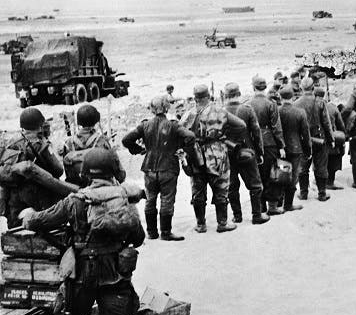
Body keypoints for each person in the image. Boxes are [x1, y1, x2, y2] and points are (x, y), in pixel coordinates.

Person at [20, 148, 145, 315]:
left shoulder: (76, 201)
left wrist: (28, 216)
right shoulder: (124, 198)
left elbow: (40, 221)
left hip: (81, 273)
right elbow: (138, 237)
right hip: (116, 272)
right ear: (114, 170)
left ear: (85, 173)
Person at [122, 96, 195, 240]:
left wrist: (138, 149)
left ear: (152, 109)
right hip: (168, 167)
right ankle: (166, 233)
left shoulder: (144, 125)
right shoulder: (173, 125)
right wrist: (181, 148)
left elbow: (126, 140)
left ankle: (152, 232)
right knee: (167, 199)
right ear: (167, 108)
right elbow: (190, 136)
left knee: (150, 199)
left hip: (149, 168)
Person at [180, 84, 239, 233]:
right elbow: (241, 125)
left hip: (195, 154)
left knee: (198, 190)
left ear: (195, 98)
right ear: (209, 96)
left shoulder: (188, 114)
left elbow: (179, 133)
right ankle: (222, 223)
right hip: (217, 154)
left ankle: (201, 225)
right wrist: (225, 135)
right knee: (221, 187)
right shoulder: (220, 111)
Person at [0, 108, 64, 228]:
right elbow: (59, 171)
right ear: (39, 125)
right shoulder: (41, 146)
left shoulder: (11, 143)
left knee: (17, 228)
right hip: (39, 198)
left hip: (14, 199)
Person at [223, 83, 268, 225]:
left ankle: (237, 216)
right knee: (255, 184)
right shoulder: (247, 109)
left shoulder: (220, 111)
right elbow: (256, 132)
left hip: (228, 154)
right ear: (239, 93)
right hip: (247, 152)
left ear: (225, 96)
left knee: (232, 185)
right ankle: (256, 215)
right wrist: (260, 152)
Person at [248, 76, 286, 215]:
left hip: (254, 144)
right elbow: (277, 127)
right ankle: (272, 206)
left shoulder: (248, 104)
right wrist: (281, 145)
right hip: (270, 142)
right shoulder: (271, 104)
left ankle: (261, 206)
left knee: (258, 175)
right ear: (264, 88)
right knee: (273, 174)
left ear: (253, 87)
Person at [62, 104, 126, 188]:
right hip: (100, 189)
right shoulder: (102, 141)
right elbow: (119, 174)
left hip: (76, 189)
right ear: (95, 121)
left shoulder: (68, 143)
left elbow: (67, 172)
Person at [294, 77, 333, 200]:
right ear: (312, 88)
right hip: (320, 139)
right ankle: (322, 193)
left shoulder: (296, 104)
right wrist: (331, 139)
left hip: (303, 141)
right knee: (321, 166)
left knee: (303, 168)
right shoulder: (320, 102)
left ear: (301, 88)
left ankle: (304, 193)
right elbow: (327, 123)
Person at [278, 85, 311, 210]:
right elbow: (305, 133)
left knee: (282, 174)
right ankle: (288, 204)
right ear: (292, 97)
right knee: (293, 176)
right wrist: (308, 150)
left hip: (281, 149)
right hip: (296, 148)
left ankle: (279, 202)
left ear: (280, 97)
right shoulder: (300, 112)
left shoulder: (277, 111)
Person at [325, 94, 346, 189]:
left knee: (321, 161)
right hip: (333, 138)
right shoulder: (333, 108)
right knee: (333, 159)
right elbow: (341, 125)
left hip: (319, 138)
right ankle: (330, 182)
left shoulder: (315, 107)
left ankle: (321, 183)